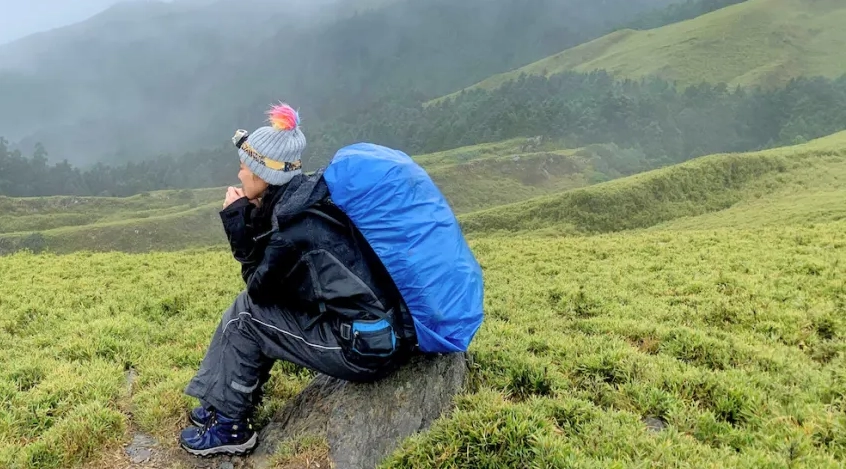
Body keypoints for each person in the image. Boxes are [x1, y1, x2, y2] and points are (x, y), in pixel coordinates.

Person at [179, 103, 417, 457]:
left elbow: (260, 288)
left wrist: (236, 222)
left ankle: (231, 426)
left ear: (262, 177)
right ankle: (222, 398)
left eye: (244, 168)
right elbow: (280, 285)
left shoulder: (294, 229)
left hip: (365, 347)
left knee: (248, 318)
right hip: (372, 329)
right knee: (248, 311)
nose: (239, 174)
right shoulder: (303, 201)